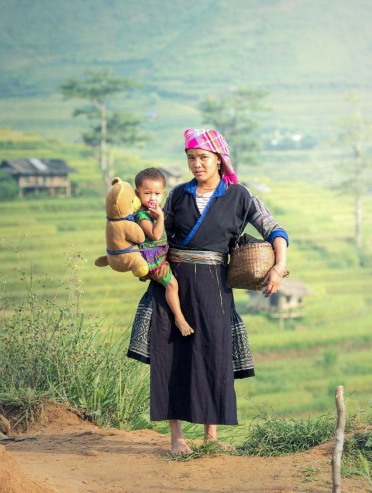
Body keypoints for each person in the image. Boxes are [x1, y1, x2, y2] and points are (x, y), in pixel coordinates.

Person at [128, 129, 288, 456]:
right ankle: (177, 440)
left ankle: (211, 436)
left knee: (213, 353)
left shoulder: (240, 196)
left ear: (219, 159)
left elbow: (274, 229)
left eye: (203, 158)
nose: (197, 164)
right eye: (191, 158)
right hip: (174, 281)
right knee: (170, 356)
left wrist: (279, 266)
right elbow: (159, 235)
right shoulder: (177, 195)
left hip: (215, 286)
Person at [133, 167, 194, 337]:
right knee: (172, 285)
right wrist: (160, 217)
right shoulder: (143, 216)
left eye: (157, 194)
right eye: (147, 193)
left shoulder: (152, 212)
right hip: (153, 260)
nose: (152, 198)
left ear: (163, 193)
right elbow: (155, 234)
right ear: (138, 194)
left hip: (160, 256)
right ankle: (179, 318)